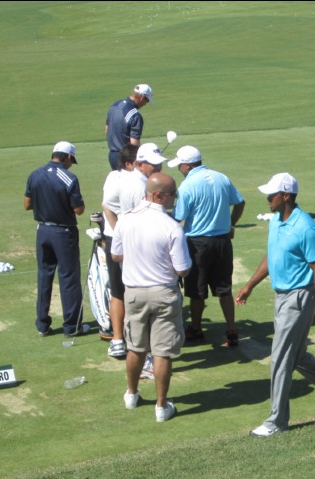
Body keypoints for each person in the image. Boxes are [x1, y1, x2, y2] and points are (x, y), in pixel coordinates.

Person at [235, 173, 315, 436]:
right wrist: (250, 285)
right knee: (295, 356)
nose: (267, 199)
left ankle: (277, 421)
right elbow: (272, 256)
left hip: (299, 297)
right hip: (281, 295)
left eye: (272, 194)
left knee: (280, 358)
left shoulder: (306, 227)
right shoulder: (276, 220)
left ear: (286, 196)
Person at [110, 172, 191, 423]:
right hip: (164, 292)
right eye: (172, 194)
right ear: (158, 195)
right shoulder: (171, 227)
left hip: (134, 292)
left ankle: (132, 394)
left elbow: (115, 255)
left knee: (136, 346)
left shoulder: (125, 219)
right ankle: (161, 406)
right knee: (162, 351)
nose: (175, 199)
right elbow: (182, 269)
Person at [169, 145, 246, 347]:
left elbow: (178, 218)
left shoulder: (186, 187)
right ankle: (231, 330)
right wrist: (231, 224)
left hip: (198, 245)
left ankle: (196, 329)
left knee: (196, 291)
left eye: (180, 166)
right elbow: (240, 203)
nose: (179, 169)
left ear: (187, 165)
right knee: (224, 289)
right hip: (222, 242)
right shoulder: (221, 177)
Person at [101, 143, 169, 358]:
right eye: (154, 165)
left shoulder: (128, 179)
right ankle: (139, 348)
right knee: (135, 292)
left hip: (125, 243)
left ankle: (121, 341)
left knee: (122, 291)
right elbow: (109, 208)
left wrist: (119, 236)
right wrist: (121, 238)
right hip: (136, 246)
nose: (158, 168)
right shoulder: (140, 186)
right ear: (140, 164)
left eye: (159, 164)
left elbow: (108, 206)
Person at [24, 141, 86, 337]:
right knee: (69, 278)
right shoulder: (69, 178)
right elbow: (79, 209)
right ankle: (71, 326)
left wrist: (46, 207)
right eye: (71, 161)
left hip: (42, 231)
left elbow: (27, 204)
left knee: (44, 276)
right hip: (64, 233)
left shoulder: (35, 174)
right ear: (67, 157)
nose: (70, 164)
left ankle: (42, 324)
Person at [105, 83, 153, 170]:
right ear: (142, 97)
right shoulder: (135, 115)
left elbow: (107, 129)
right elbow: (134, 145)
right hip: (126, 159)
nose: (146, 104)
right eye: (147, 100)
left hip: (111, 156)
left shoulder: (115, 105)